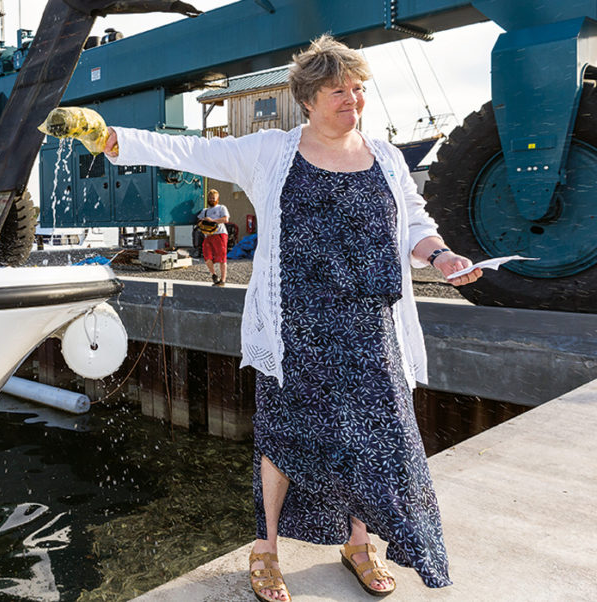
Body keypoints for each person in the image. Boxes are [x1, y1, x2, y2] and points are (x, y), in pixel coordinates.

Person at [102, 34, 482, 602]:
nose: (352, 101)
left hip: (371, 328)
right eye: (338, 92)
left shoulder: (386, 156)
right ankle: (266, 550)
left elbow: (413, 226)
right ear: (307, 99)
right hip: (294, 330)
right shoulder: (270, 151)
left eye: (357, 90)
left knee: (375, 439)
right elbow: (188, 152)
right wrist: (114, 138)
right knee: (283, 442)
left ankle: (359, 543)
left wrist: (440, 254)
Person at [198, 189, 230, 285]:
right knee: (207, 256)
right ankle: (214, 275)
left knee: (222, 258)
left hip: (220, 234)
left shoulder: (221, 208)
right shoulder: (205, 211)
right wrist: (204, 220)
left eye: (213, 198)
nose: (212, 200)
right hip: (208, 235)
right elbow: (198, 221)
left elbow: (226, 219)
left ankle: (223, 280)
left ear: (217, 199)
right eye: (210, 198)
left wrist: (212, 220)